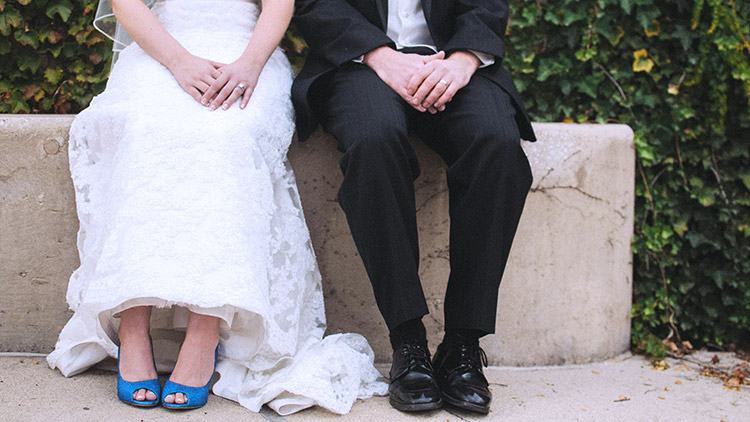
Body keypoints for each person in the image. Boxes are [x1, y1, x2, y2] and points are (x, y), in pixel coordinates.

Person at [47, 0, 386, 414]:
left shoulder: (250, 56)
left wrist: (249, 64)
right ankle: (132, 328)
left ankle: (204, 330)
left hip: (245, 53)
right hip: (162, 51)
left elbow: (278, 7)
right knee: (143, 130)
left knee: (226, 137)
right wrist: (180, 62)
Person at [292, 0, 536, 414]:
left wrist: (464, 59)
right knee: (373, 142)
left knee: (497, 146)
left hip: (450, 62)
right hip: (359, 63)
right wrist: (379, 55)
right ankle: (408, 343)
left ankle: (462, 345)